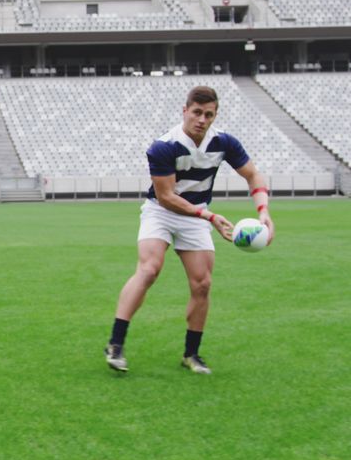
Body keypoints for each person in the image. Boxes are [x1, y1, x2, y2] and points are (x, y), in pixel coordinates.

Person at [104, 85, 275, 375]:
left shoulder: (224, 143)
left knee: (202, 284)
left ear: (215, 116)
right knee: (149, 269)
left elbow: (252, 174)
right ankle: (116, 344)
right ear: (185, 111)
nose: (202, 120)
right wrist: (209, 216)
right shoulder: (164, 146)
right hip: (161, 212)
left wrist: (264, 211)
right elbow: (167, 196)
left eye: (209, 115)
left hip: (197, 217)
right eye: (197, 112)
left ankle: (191, 354)